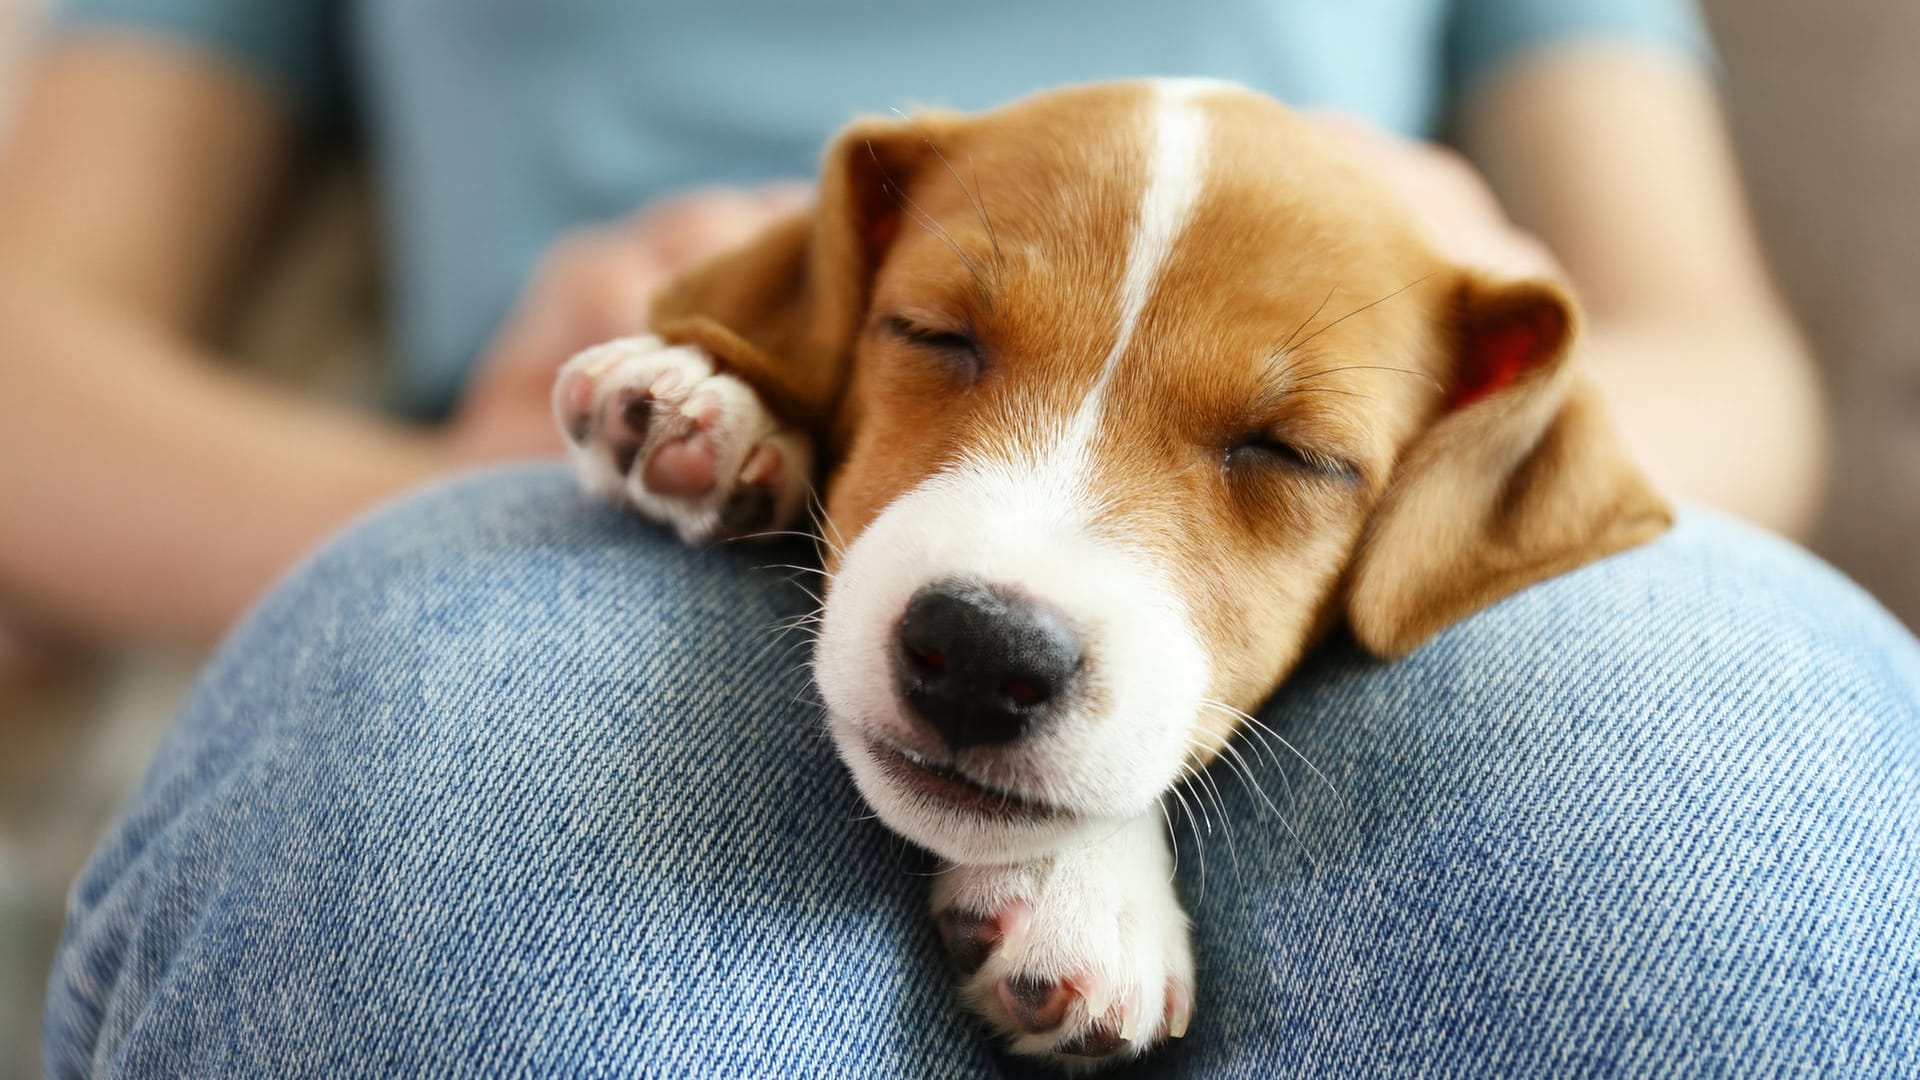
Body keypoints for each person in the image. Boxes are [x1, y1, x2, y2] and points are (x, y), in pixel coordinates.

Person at [15, 1, 1915, 1075]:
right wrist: (476, 473)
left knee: (1734, 875)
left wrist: (1439, 376)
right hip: (595, 491)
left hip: (1415, 514)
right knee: (474, 929)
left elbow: (1730, 369)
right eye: (930, 331)